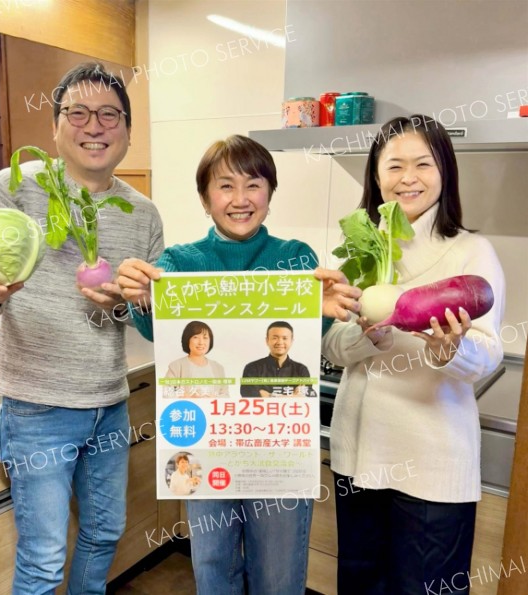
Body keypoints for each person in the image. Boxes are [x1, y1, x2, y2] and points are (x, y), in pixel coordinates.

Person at [0, 63, 164, 594]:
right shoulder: (15, 187)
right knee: (44, 558)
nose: (94, 126)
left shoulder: (143, 213)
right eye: (78, 112)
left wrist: (136, 301)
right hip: (37, 406)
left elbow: (156, 319)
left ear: (128, 131)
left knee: (104, 534)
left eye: (109, 115)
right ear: (55, 126)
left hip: (109, 402)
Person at [116, 134, 361, 595]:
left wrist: (323, 310)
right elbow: (156, 334)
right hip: (206, 444)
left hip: (277, 447)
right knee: (214, 569)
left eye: (254, 184)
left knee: (279, 575)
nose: (241, 199)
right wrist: (143, 298)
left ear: (270, 194)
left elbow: (312, 347)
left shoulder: (296, 259)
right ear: (206, 199)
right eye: (225, 186)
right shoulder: (179, 263)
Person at [323, 115, 505, 595]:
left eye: (423, 164)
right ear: (376, 175)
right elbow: (333, 347)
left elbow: (488, 353)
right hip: (358, 453)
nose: (408, 178)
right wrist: (371, 336)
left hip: (431, 457)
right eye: (394, 165)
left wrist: (452, 350)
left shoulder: (471, 252)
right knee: (361, 583)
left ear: (444, 171)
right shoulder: (361, 251)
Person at [241, 320, 317, 397]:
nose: (280, 342)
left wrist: (268, 395)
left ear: (291, 341)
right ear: (267, 340)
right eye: (275, 338)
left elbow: (310, 396)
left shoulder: (301, 369)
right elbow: (248, 393)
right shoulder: (252, 367)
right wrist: (292, 397)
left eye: (284, 338)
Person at [164, 320, 228, 397]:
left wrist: (213, 398)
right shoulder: (176, 366)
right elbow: (167, 393)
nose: (201, 342)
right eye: (196, 337)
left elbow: (225, 394)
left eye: (205, 338)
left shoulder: (218, 367)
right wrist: (187, 397)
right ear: (187, 340)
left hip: (212, 407)